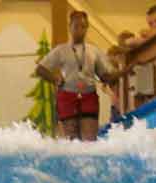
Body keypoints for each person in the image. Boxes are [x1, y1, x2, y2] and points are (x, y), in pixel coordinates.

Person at [35, 11, 123, 141]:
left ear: (87, 28)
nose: (79, 30)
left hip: (89, 97)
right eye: (76, 26)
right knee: (71, 141)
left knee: (89, 140)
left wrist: (125, 70)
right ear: (69, 26)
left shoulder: (94, 51)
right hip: (67, 97)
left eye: (83, 26)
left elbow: (105, 77)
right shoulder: (61, 50)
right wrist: (55, 79)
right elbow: (40, 69)